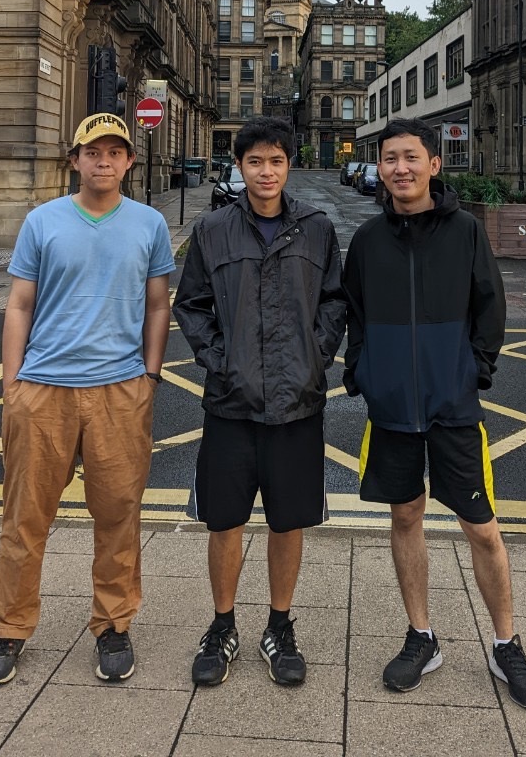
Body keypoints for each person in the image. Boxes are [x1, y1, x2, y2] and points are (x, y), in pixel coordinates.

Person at [343, 117, 526, 710]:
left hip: (454, 409)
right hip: (391, 411)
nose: (399, 168)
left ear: (435, 164)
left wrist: (471, 373)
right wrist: (363, 371)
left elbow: (491, 308)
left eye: (410, 157)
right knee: (404, 517)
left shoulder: (464, 232)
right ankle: (421, 637)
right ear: (379, 168)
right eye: (389, 158)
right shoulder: (366, 241)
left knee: (481, 526)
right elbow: (353, 312)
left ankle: (506, 642)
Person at [0, 112, 175, 687]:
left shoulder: (149, 225)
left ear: (129, 162)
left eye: (115, 153)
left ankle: (113, 626)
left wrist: (151, 374)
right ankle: (9, 629)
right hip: (43, 391)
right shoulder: (43, 221)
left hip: (120, 391)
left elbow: (158, 303)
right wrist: (12, 386)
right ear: (75, 160)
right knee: (25, 518)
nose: (104, 162)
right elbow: (19, 304)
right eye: (93, 152)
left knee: (118, 516)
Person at [174, 116, 346, 688]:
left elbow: (334, 303)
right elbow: (192, 304)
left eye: (275, 161)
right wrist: (218, 359)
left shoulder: (317, 229)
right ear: (240, 166)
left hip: (297, 403)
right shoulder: (213, 229)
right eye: (255, 162)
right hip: (231, 401)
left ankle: (279, 624)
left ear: (288, 165)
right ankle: (222, 625)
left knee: (287, 521)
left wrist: (314, 356)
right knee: (223, 521)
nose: (266, 171)